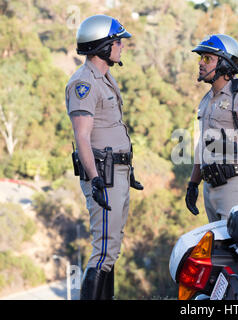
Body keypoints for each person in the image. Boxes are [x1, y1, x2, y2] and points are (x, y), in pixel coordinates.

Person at [65, 14, 143, 300]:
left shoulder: (106, 78)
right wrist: (96, 180)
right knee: (103, 251)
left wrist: (127, 170)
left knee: (112, 250)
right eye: (117, 41)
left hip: (117, 174)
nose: (121, 46)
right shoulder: (84, 82)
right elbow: (82, 136)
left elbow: (110, 129)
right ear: (102, 45)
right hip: (104, 176)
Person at [185, 34, 238, 222]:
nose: (200, 63)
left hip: (235, 183)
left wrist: (228, 146)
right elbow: (203, 145)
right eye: (201, 58)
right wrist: (193, 184)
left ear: (224, 63)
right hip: (210, 186)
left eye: (207, 58)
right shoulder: (207, 99)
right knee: (218, 248)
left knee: (236, 244)